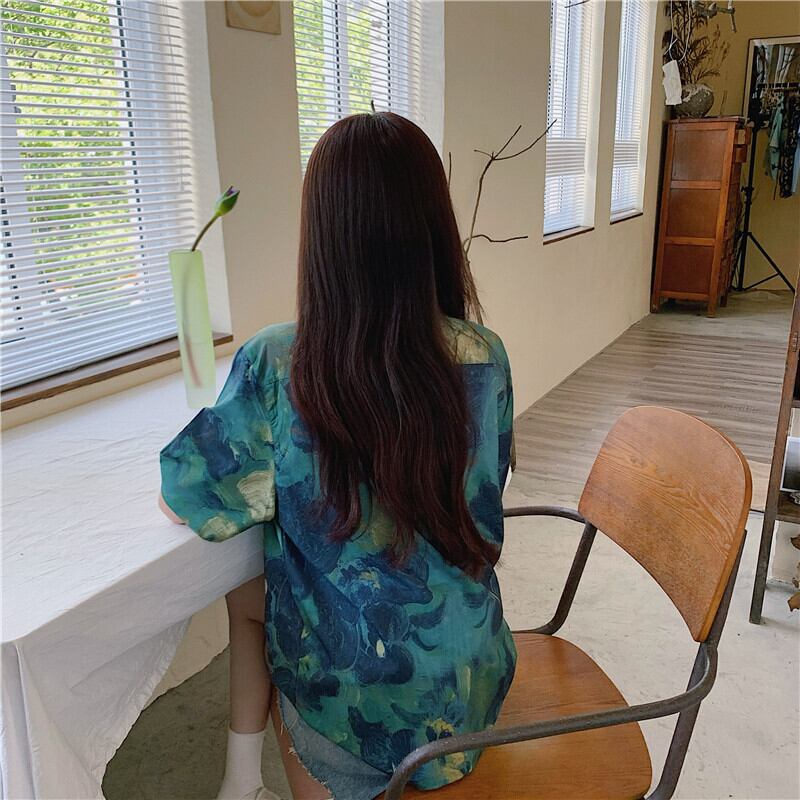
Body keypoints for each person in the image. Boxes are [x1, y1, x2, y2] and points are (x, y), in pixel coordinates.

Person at [159, 112, 517, 800]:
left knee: (250, 593)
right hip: (468, 685)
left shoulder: (277, 361)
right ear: (433, 226)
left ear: (322, 234)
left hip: (347, 710)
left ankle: (239, 781)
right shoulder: (485, 356)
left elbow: (188, 496)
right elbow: (484, 491)